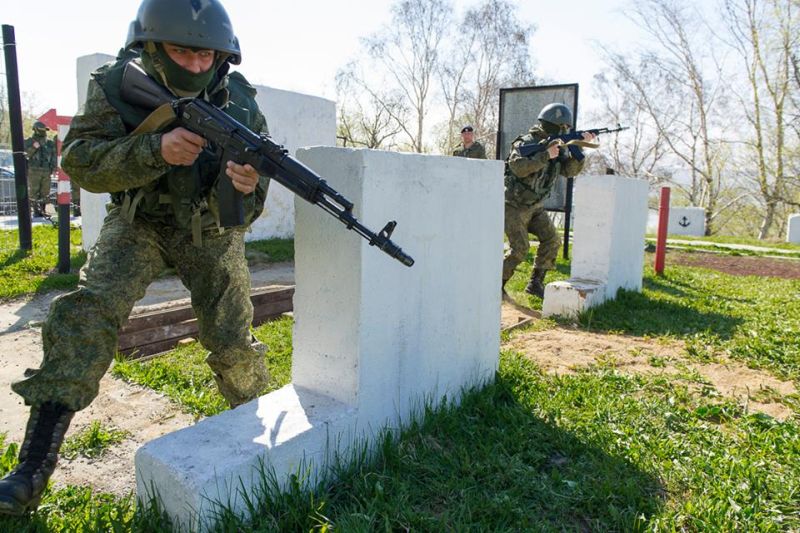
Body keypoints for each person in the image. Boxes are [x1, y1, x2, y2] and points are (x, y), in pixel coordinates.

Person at [0, 0, 272, 516]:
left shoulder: (241, 101)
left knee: (233, 335)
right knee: (87, 313)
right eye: (181, 52)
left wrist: (247, 187)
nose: (196, 66)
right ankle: (32, 466)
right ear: (149, 48)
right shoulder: (114, 84)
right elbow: (81, 161)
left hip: (210, 233)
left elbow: (247, 212)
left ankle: (253, 430)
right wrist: (154, 151)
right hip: (137, 223)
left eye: (207, 56)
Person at [501, 103, 596, 298]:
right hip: (514, 205)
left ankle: (535, 283)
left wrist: (579, 148)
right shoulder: (526, 142)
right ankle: (495, 283)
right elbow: (518, 167)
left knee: (553, 240)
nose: (566, 130)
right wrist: (545, 155)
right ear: (555, 125)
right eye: (564, 127)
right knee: (520, 249)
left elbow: (569, 172)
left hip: (535, 206)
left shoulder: (559, 147)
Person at [23, 121, 57, 218]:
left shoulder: (49, 143)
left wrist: (54, 168)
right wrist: (33, 147)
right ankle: (35, 211)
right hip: (34, 170)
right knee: (33, 191)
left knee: (45, 191)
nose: (43, 132)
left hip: (46, 171)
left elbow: (54, 156)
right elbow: (25, 155)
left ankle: (42, 210)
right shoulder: (29, 142)